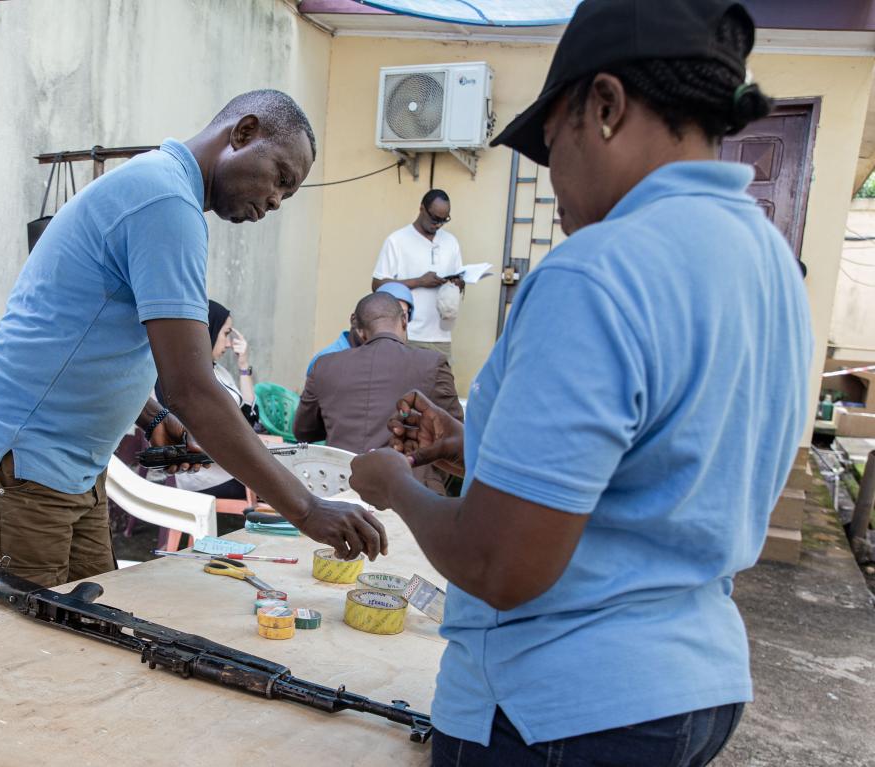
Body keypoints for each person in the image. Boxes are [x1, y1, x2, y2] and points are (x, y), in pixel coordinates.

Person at [348, 1, 813, 764]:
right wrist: (476, 447)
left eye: (552, 143)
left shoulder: (596, 271)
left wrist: (395, 484)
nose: (551, 176)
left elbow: (501, 565)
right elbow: (669, 465)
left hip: (555, 709)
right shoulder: (767, 262)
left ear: (604, 106)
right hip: (693, 688)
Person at [0, 89, 386, 610]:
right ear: (243, 132)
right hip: (16, 456)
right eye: (280, 177)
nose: (276, 200)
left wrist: (151, 415)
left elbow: (92, 334)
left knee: (89, 631)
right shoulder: (165, 202)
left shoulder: (162, 190)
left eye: (288, 194)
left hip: (66, 464)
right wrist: (306, 509)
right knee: (18, 646)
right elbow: (192, 389)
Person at [294, 291, 461, 494]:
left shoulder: (324, 365)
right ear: (404, 321)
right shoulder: (432, 363)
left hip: (340, 489)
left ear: (360, 331)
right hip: (412, 494)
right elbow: (455, 433)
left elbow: (303, 431)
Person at [168, 300, 256, 500]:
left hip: (233, 468)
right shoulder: (192, 377)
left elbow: (250, 418)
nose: (229, 343)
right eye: (226, 333)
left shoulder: (218, 371)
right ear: (207, 332)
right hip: (209, 477)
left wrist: (243, 366)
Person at [372, 189, 463, 362]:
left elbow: (458, 278)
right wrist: (419, 281)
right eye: (435, 218)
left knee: (441, 381)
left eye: (444, 220)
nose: (438, 225)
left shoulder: (451, 242)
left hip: (441, 335)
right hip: (408, 334)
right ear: (422, 209)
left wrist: (459, 283)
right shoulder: (397, 240)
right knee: (404, 379)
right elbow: (377, 285)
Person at [305, 282, 415, 375]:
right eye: (382, 314)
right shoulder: (327, 360)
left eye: (399, 316)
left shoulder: (396, 358)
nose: (386, 326)